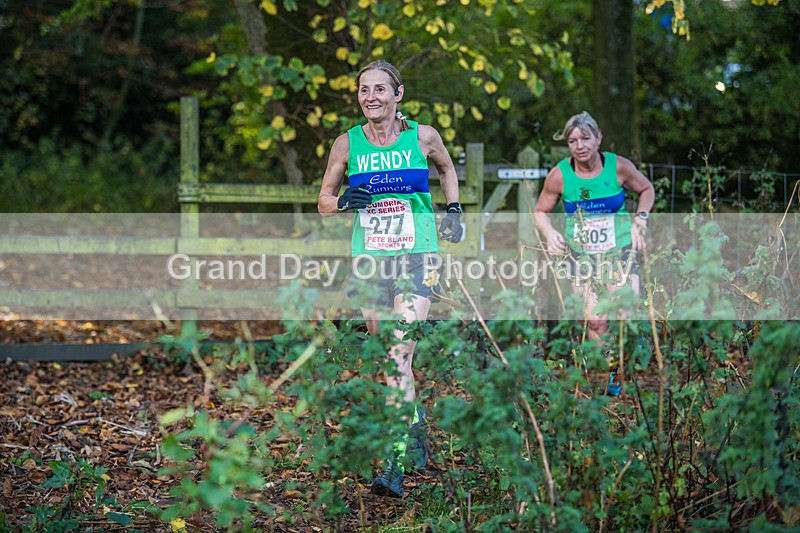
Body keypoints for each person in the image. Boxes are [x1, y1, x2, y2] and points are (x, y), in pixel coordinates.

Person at [317, 60, 462, 498]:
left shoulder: (423, 136)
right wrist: (343, 200)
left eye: (381, 89)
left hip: (417, 256)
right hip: (370, 261)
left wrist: (453, 209)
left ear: (399, 94)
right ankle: (413, 423)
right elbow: (322, 200)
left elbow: (447, 170)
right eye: (364, 90)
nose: (371, 97)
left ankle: (394, 464)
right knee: (386, 358)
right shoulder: (347, 143)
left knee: (399, 353)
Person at [533, 111, 654, 394]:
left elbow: (646, 189)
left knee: (624, 312)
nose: (580, 146)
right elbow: (540, 211)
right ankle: (614, 373)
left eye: (585, 138)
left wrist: (641, 220)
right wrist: (550, 233)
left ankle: (625, 368)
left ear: (598, 138)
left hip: (619, 250)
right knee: (595, 321)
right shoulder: (560, 175)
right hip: (582, 256)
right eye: (573, 141)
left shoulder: (618, 167)